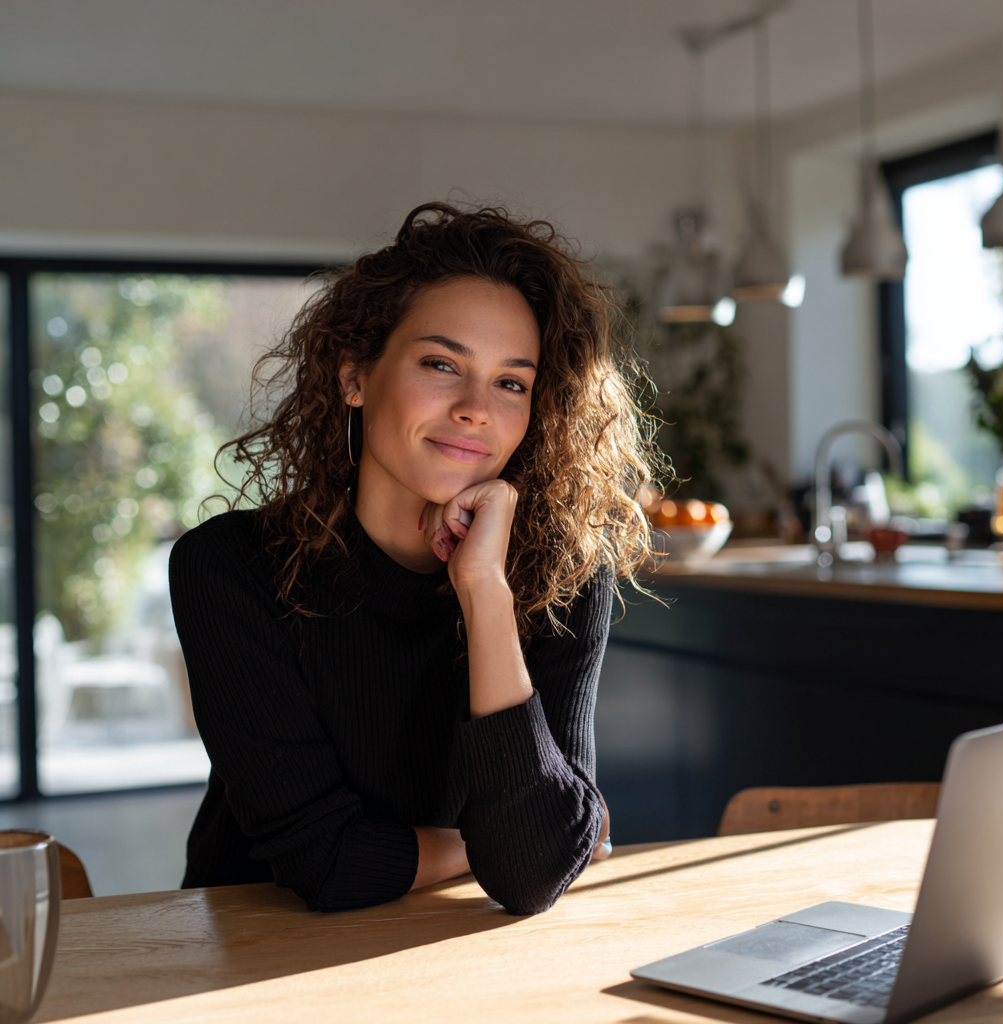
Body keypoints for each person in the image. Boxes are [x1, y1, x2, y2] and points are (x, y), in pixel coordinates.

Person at [169, 203, 663, 915]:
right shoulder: (229, 567)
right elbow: (326, 862)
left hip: (447, 960)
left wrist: (484, 589)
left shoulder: (565, 575)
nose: (475, 408)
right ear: (354, 377)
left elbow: (528, 878)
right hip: (252, 956)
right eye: (441, 364)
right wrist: (505, 840)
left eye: (511, 382)